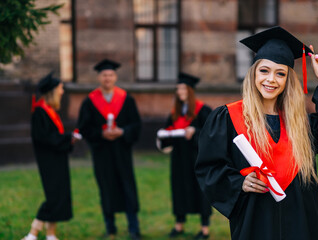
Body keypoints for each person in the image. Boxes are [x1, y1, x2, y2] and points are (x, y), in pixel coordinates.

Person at [195, 26, 318, 240]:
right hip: (254, 222)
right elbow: (209, 168)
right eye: (264, 70)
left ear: (287, 80)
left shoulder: (301, 125)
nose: (271, 79)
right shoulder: (228, 118)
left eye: (280, 73)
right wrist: (239, 183)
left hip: (300, 225)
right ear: (254, 72)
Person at [77, 59, 142, 240]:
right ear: (99, 77)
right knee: (106, 187)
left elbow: (136, 125)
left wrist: (123, 132)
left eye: (111, 75)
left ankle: (134, 228)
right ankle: (110, 228)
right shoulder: (90, 101)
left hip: (122, 152)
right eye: (104, 75)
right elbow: (84, 127)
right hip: (102, 152)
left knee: (127, 187)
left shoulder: (126, 99)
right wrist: (101, 134)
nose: (107, 78)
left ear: (115, 77)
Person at [157, 73, 212, 239]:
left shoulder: (203, 110)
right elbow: (167, 133)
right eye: (178, 88)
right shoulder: (175, 113)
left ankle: (204, 229)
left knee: (200, 191)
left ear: (190, 90)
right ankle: (179, 225)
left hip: (197, 159)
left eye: (183, 88)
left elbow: (211, 135)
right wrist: (164, 136)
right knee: (179, 189)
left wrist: (195, 131)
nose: (180, 91)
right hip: (179, 159)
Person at [22, 72, 77, 240]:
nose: (62, 92)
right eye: (60, 89)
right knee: (53, 197)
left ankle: (51, 234)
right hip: (49, 160)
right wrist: (68, 138)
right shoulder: (40, 112)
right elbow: (44, 138)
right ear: (52, 91)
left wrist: (68, 139)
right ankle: (33, 233)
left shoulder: (50, 111)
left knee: (59, 195)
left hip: (57, 158)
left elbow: (54, 136)